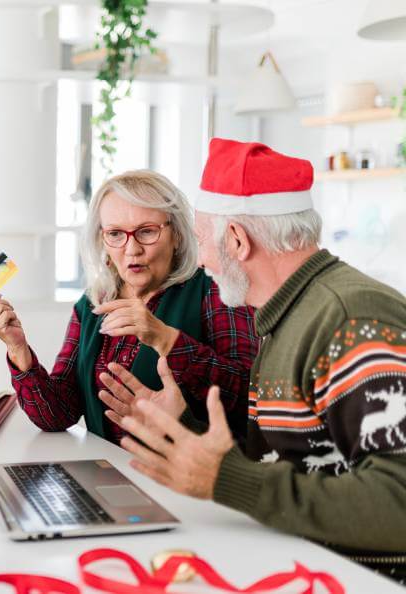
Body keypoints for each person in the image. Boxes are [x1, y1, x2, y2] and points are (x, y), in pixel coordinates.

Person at [104, 138, 406, 582]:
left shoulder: (349, 317)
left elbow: (398, 504)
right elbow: (281, 464)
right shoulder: (285, 315)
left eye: (203, 240)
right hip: (303, 565)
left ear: (237, 240)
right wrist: (187, 426)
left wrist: (226, 479)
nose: (202, 259)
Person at [0, 169, 259, 445]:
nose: (132, 249)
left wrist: (165, 339)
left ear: (178, 236)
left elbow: (250, 398)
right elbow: (57, 415)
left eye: (147, 232)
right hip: (110, 473)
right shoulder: (92, 304)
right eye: (115, 234)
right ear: (103, 240)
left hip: (190, 476)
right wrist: (18, 350)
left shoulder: (215, 290)